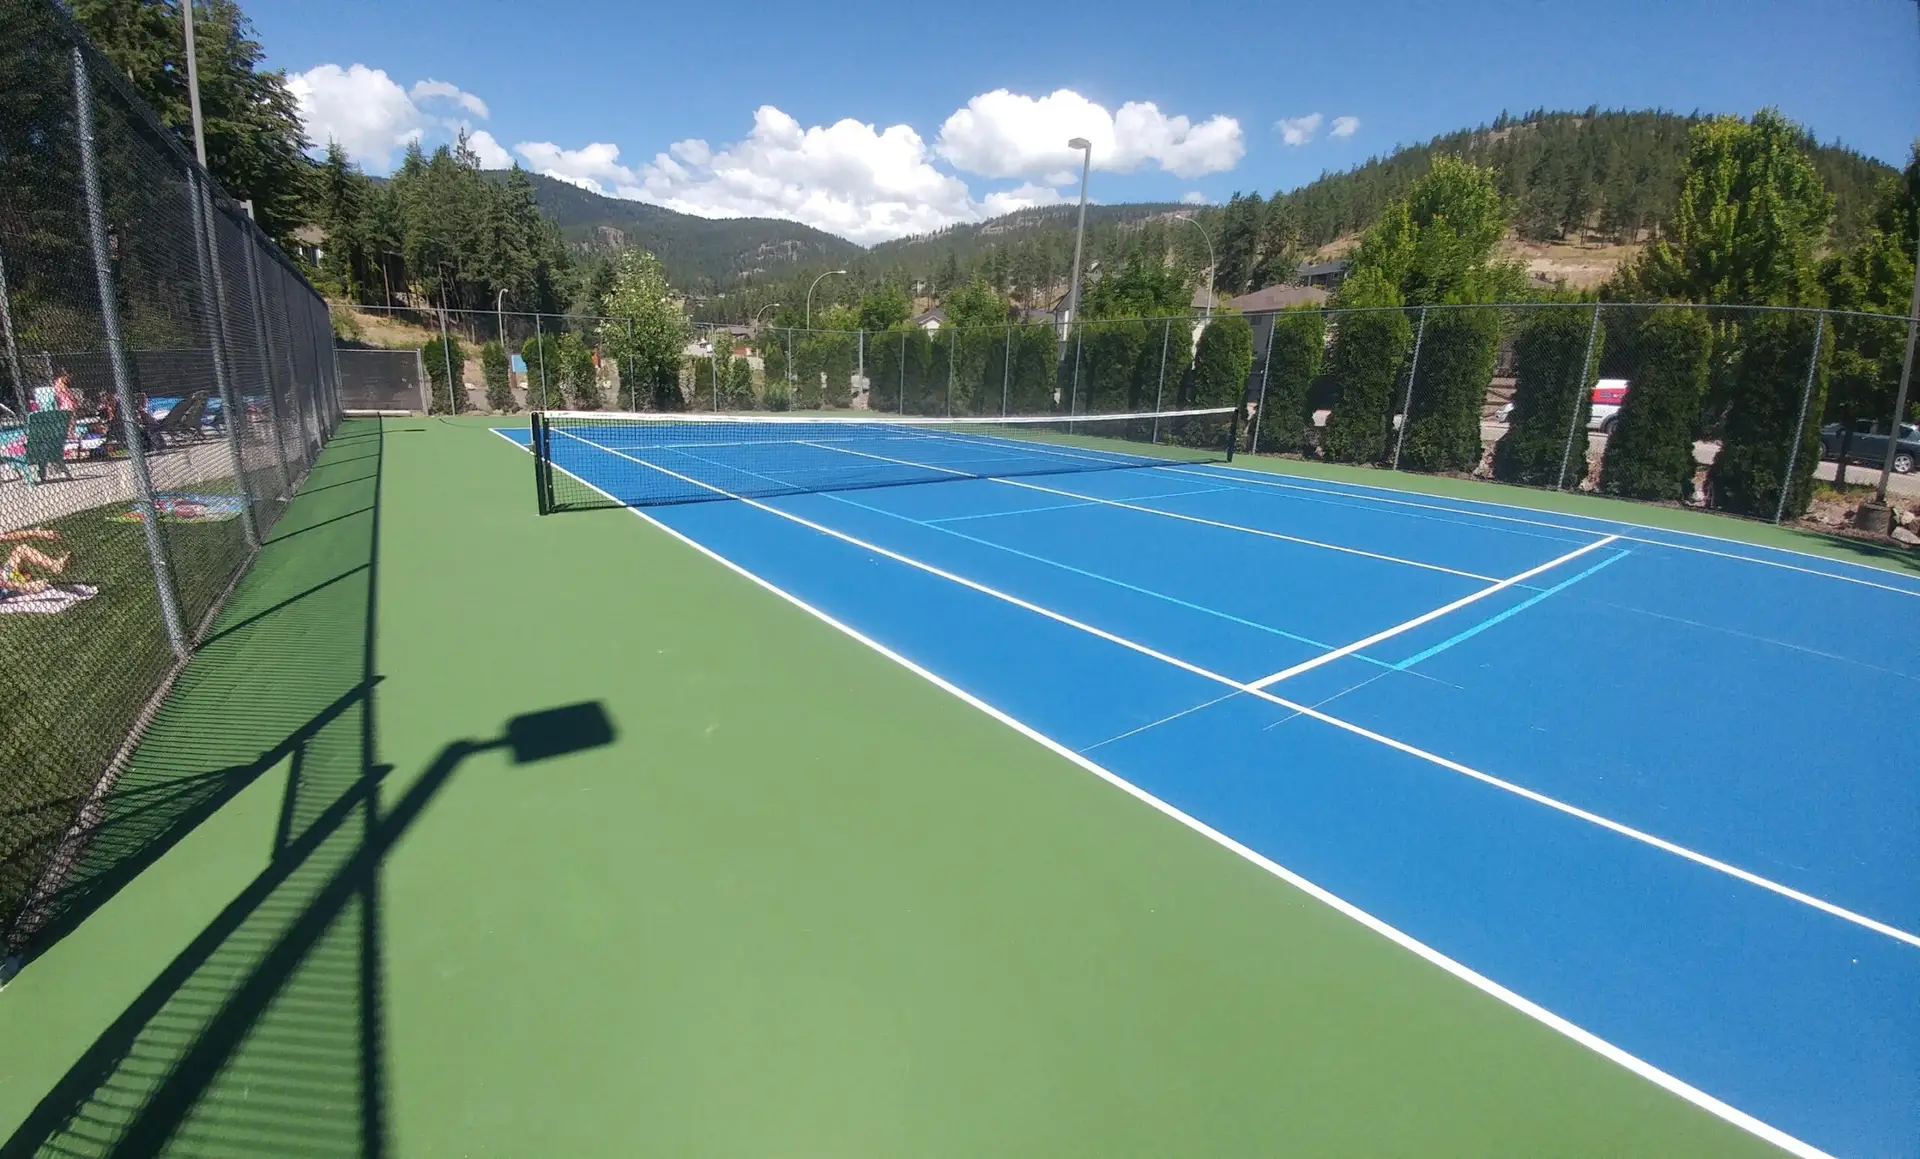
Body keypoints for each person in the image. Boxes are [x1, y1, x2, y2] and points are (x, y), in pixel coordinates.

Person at [1, 529, 72, 595]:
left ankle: (55, 565)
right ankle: (26, 587)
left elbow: (10, 536)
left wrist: (38, 533)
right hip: (3, 584)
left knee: (21, 549)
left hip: (4, 576)